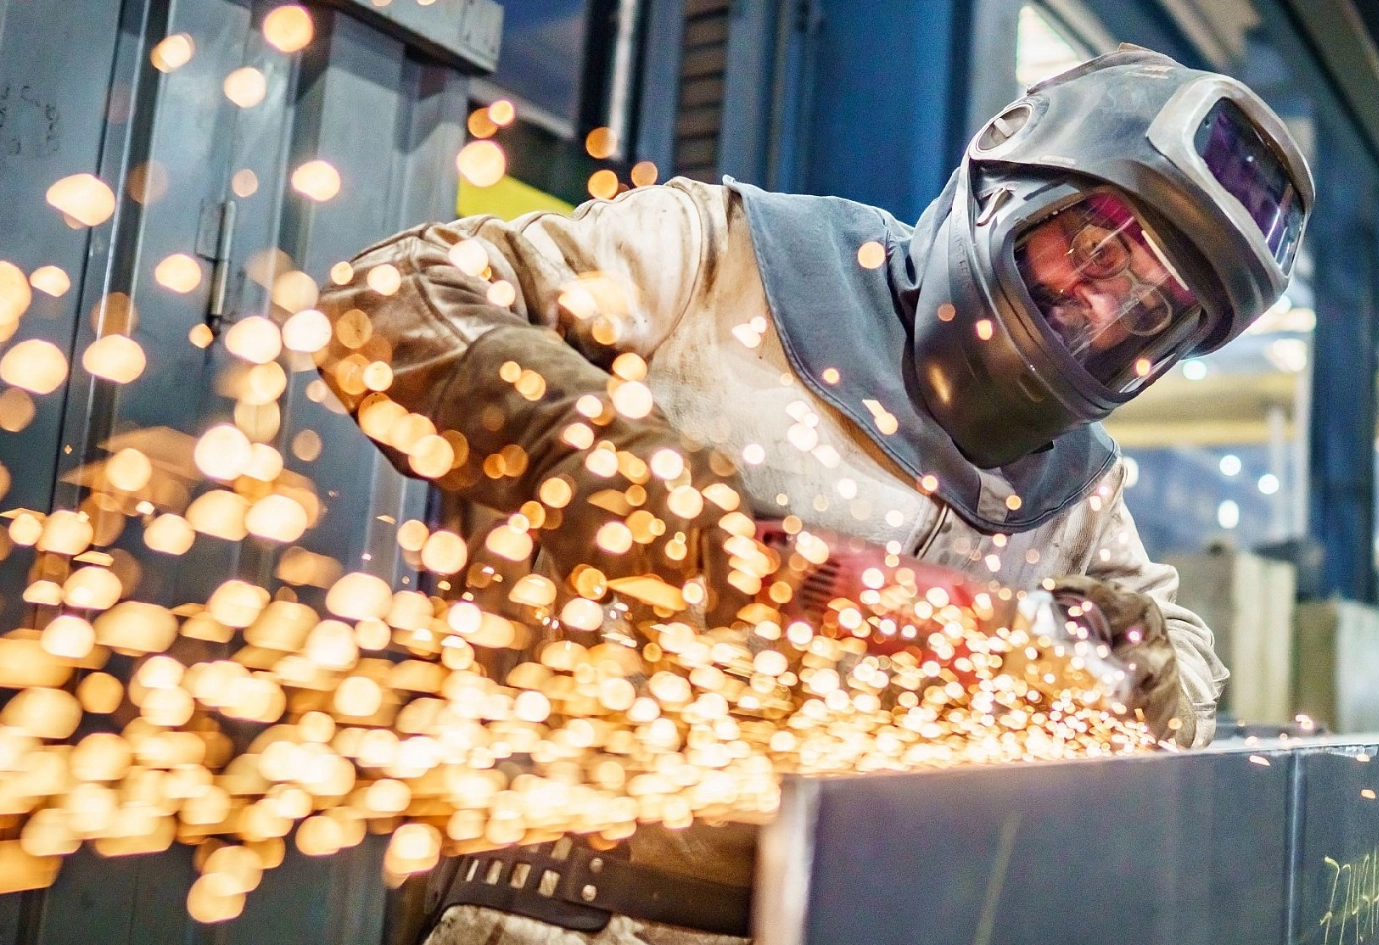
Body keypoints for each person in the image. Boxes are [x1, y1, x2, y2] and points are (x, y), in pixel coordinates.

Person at [317, 44, 1312, 945]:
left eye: (1150, 310)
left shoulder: (1075, 490)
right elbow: (393, 293)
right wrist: (598, 457)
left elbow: (1178, 688)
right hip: (561, 907)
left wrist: (1086, 650)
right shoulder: (720, 256)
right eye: (1095, 248)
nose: (1099, 306)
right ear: (1013, 164)